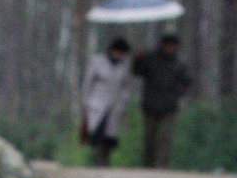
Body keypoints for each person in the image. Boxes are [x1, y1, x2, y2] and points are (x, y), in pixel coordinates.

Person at [133, 34, 192, 169]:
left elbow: (186, 82)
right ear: (163, 45)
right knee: (149, 138)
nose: (170, 48)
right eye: (168, 45)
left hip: (169, 106)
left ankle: (162, 166)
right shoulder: (150, 58)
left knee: (166, 137)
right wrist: (137, 59)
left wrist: (176, 95)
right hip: (150, 105)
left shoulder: (179, 64)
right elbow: (137, 71)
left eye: (173, 45)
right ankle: (147, 165)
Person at [81, 37, 133, 167]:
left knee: (110, 136)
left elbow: (126, 86)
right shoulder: (97, 61)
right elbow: (88, 82)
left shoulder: (124, 65)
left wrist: (124, 101)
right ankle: (98, 160)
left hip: (115, 104)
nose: (120, 55)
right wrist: (86, 101)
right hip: (97, 102)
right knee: (97, 132)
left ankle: (105, 159)